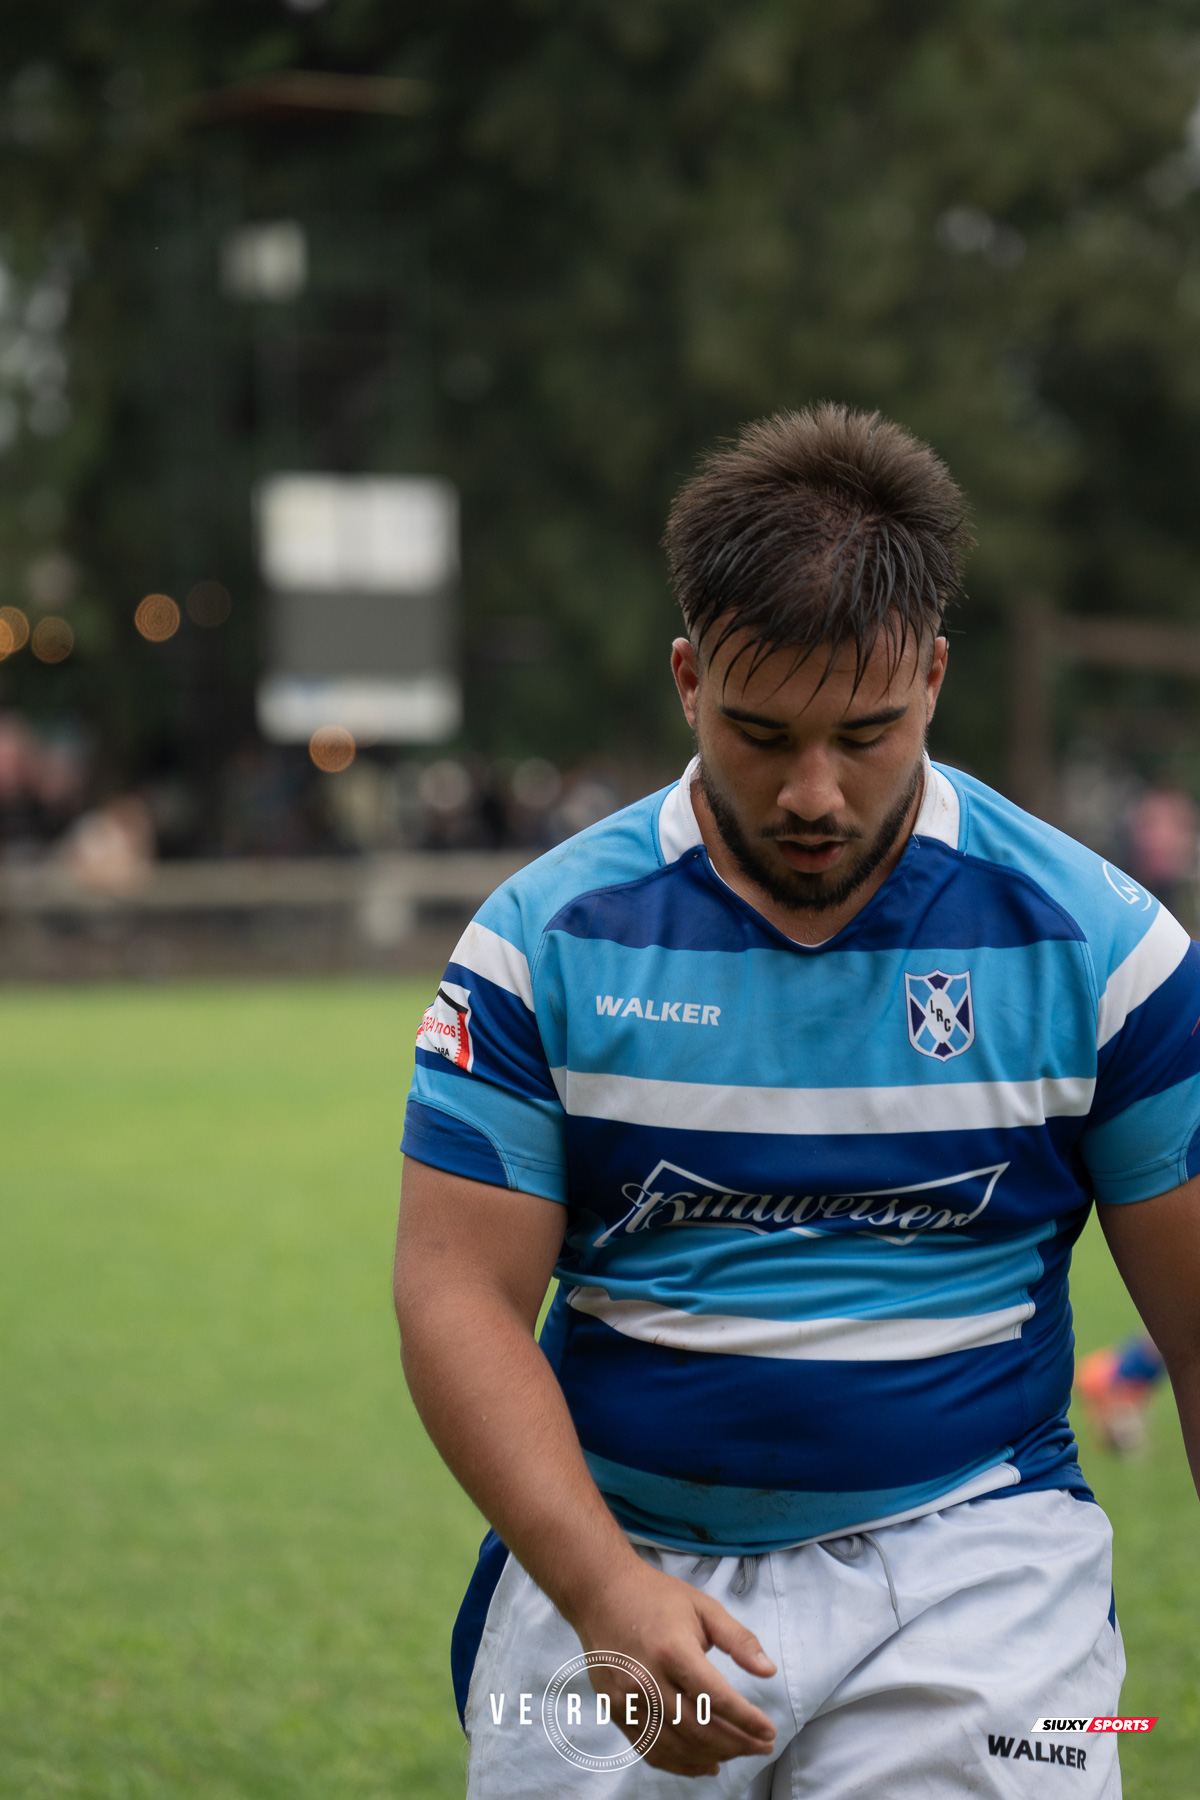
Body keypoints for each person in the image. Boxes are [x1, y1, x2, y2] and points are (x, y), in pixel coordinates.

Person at [393, 405, 1200, 1798]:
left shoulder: (1105, 950)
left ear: (935, 676)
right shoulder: (541, 944)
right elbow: (454, 1295)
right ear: (687, 679)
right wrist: (598, 1592)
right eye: (760, 734)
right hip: (616, 1547)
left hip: (979, 1558)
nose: (814, 791)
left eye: (867, 733)